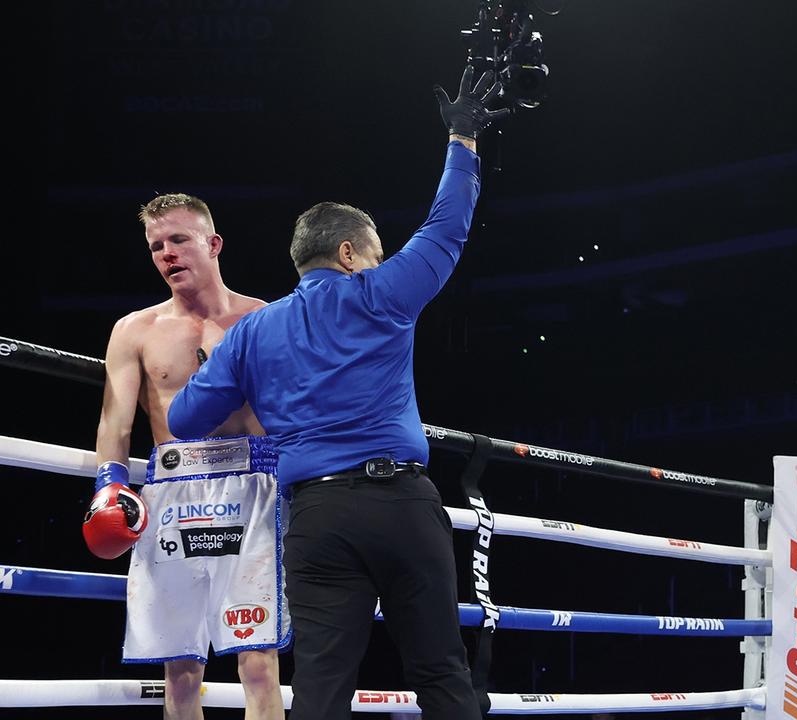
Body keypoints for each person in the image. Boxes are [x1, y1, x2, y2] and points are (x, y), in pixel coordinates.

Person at [166, 67, 509, 720]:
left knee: (322, 689)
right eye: (376, 253)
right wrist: (462, 138)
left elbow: (185, 419)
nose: (380, 263)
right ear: (350, 253)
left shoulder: (252, 333)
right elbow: (447, 226)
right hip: (404, 507)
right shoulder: (380, 296)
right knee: (440, 671)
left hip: (318, 520)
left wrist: (224, 371)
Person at [85, 192, 286, 719]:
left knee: (259, 663)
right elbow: (115, 422)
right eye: (156, 246)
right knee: (180, 672)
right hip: (173, 493)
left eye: (178, 240)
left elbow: (290, 408)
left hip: (253, 488)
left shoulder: (260, 318)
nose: (167, 254)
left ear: (212, 243)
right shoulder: (135, 330)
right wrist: (108, 487)